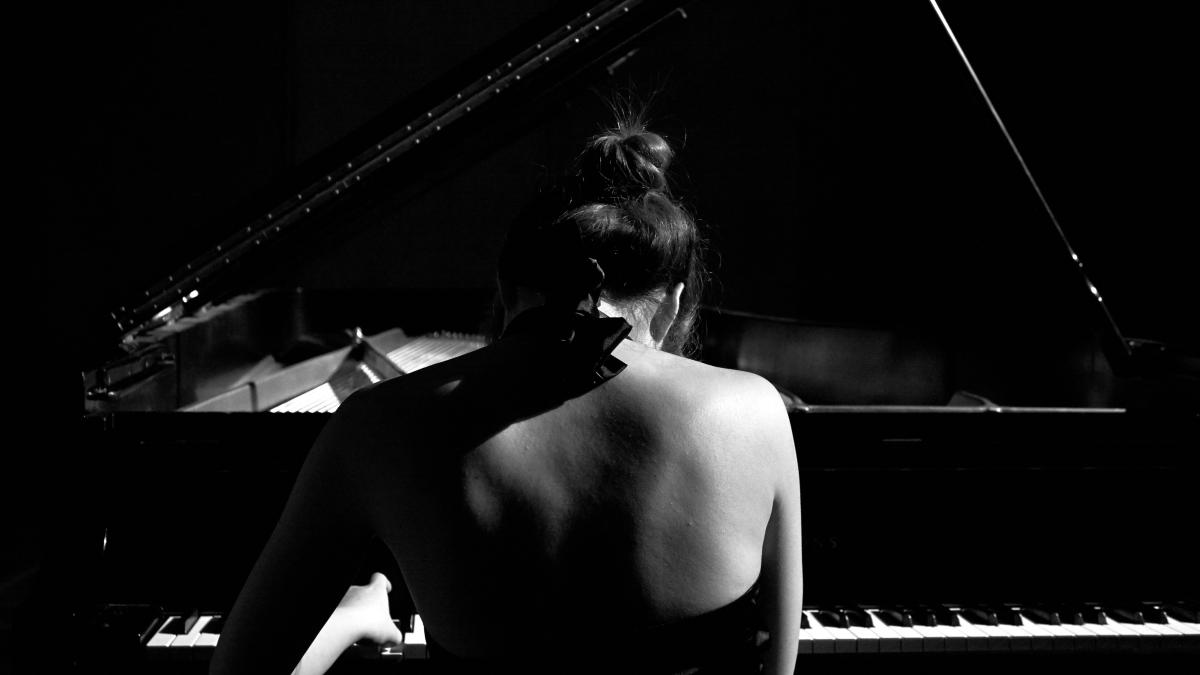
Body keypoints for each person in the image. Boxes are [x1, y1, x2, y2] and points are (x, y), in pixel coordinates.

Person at [210, 115, 802, 675]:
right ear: (672, 302)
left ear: (505, 287)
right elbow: (776, 658)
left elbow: (241, 668)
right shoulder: (757, 411)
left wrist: (347, 619)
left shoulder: (372, 427)